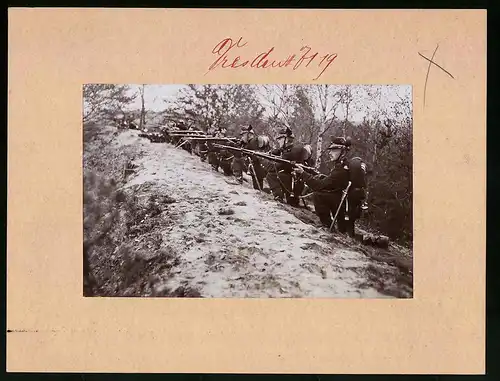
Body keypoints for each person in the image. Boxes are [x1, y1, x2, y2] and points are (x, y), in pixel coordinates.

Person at [292, 136, 367, 236]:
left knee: (318, 195)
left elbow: (319, 186)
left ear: (343, 152)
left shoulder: (341, 169)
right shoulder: (344, 165)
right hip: (346, 204)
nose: (330, 153)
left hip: (344, 205)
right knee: (346, 231)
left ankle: (327, 225)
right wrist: (316, 175)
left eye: (334, 150)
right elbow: (332, 182)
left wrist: (303, 173)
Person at [265, 127, 313, 206]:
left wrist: (263, 160)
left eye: (280, 139)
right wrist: (270, 154)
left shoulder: (291, 152)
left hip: (293, 184)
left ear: (286, 140)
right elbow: (278, 151)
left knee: (271, 175)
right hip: (294, 182)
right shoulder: (291, 149)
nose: (278, 141)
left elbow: (276, 167)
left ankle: (278, 197)